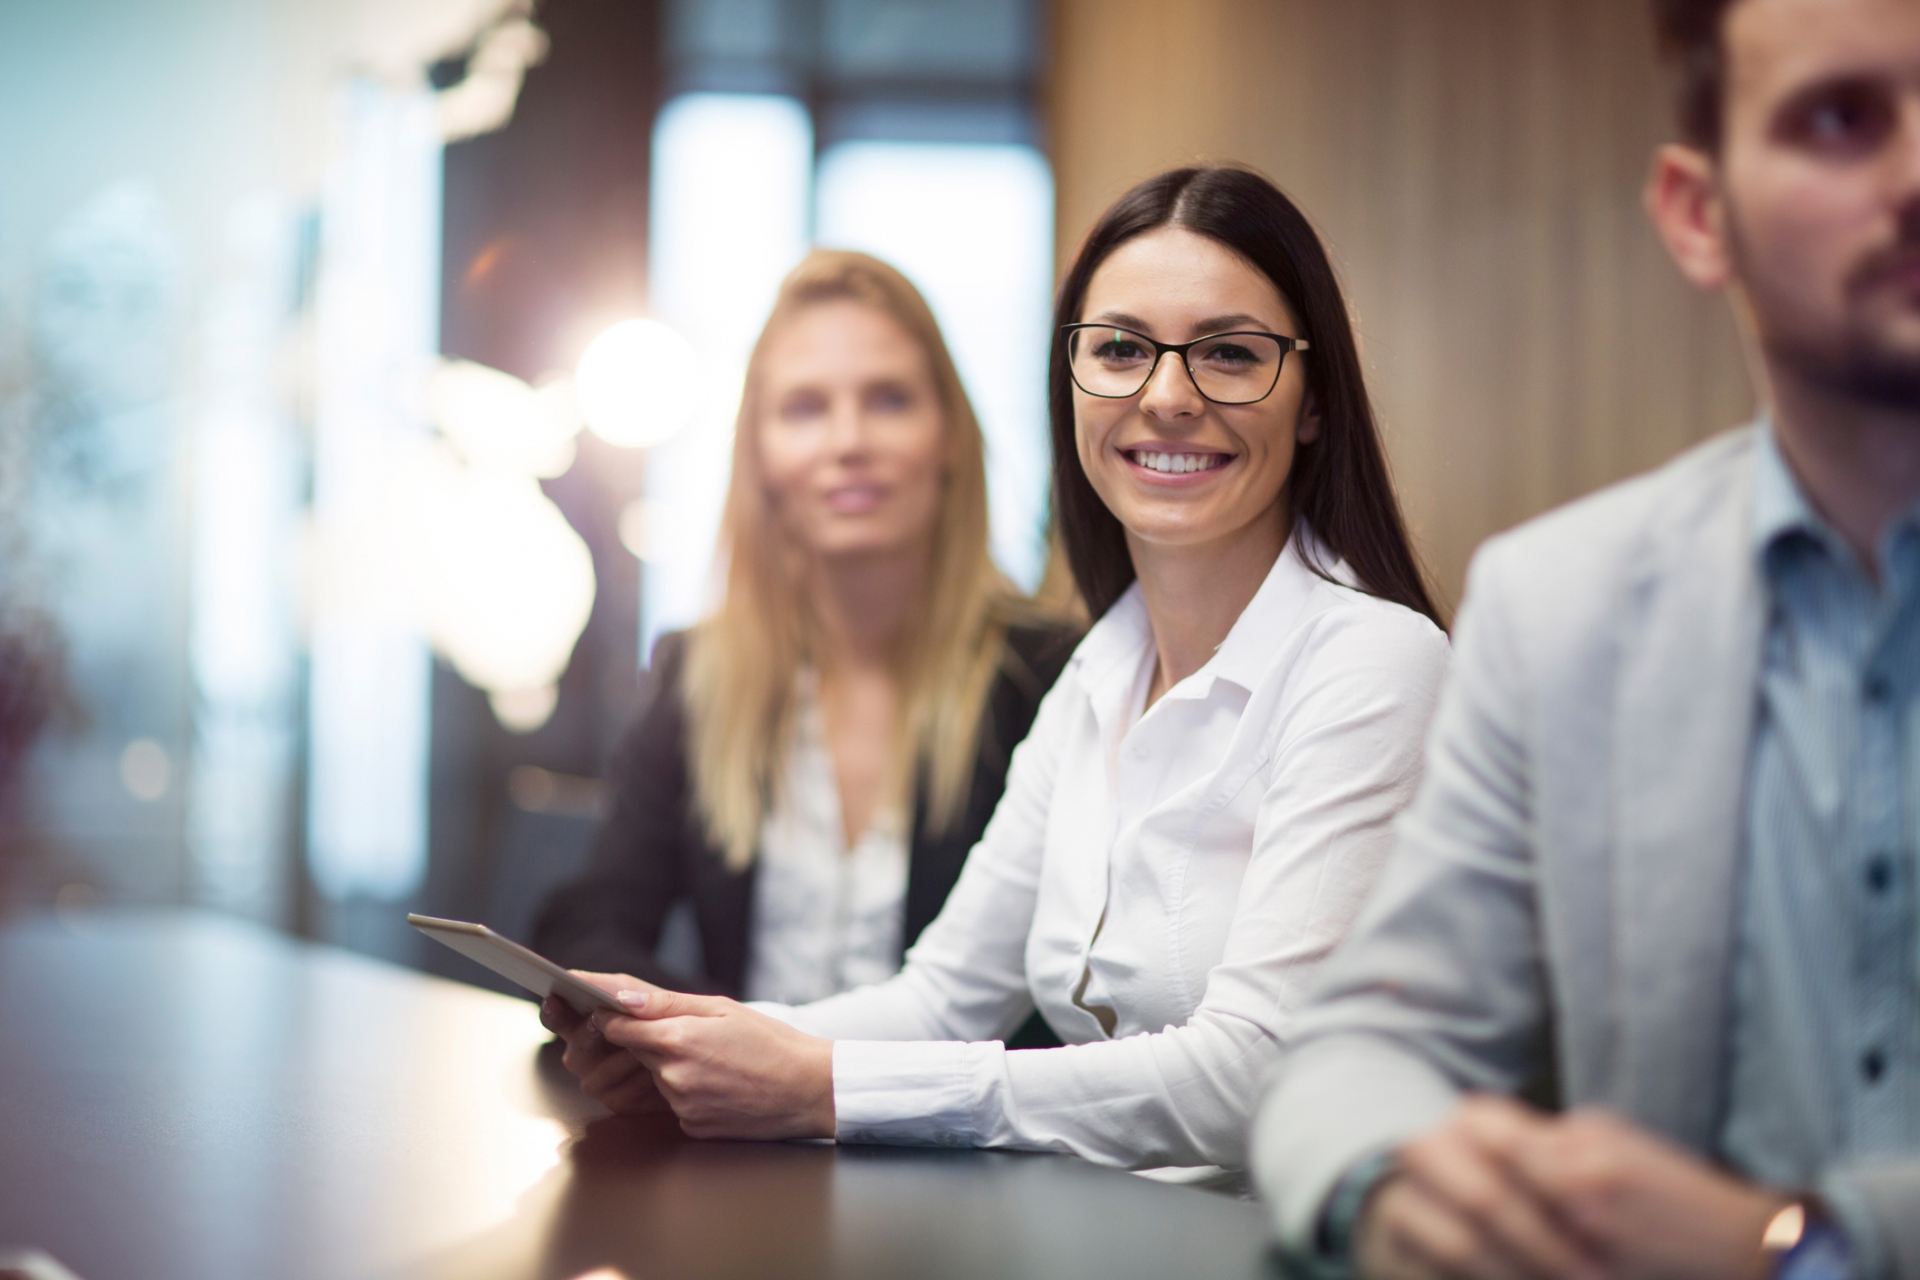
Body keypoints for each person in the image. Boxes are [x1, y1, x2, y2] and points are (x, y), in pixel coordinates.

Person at [541, 166, 1452, 1176]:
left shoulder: (1374, 660)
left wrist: (824, 1082)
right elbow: (940, 998)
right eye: (1119, 349)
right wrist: (685, 1041)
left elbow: (1257, 1074)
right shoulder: (1101, 673)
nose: (1167, 394)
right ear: (1073, 384)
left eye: (1231, 353)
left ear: (1315, 401)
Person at [1254, 1, 1920, 1277]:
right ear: (1696, 211)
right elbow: (1351, 1052)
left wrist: (1805, 1246)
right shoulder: (1561, 609)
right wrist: (1398, 1183)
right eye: (1840, 119)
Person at [532, 250, 1078, 1034]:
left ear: (951, 437)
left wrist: (775, 1058)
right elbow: (589, 928)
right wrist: (731, 1051)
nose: (848, 440)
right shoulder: (701, 671)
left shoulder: (1052, 677)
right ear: (759, 454)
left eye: (889, 400)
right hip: (735, 1145)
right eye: (805, 409)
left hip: (967, 1146)